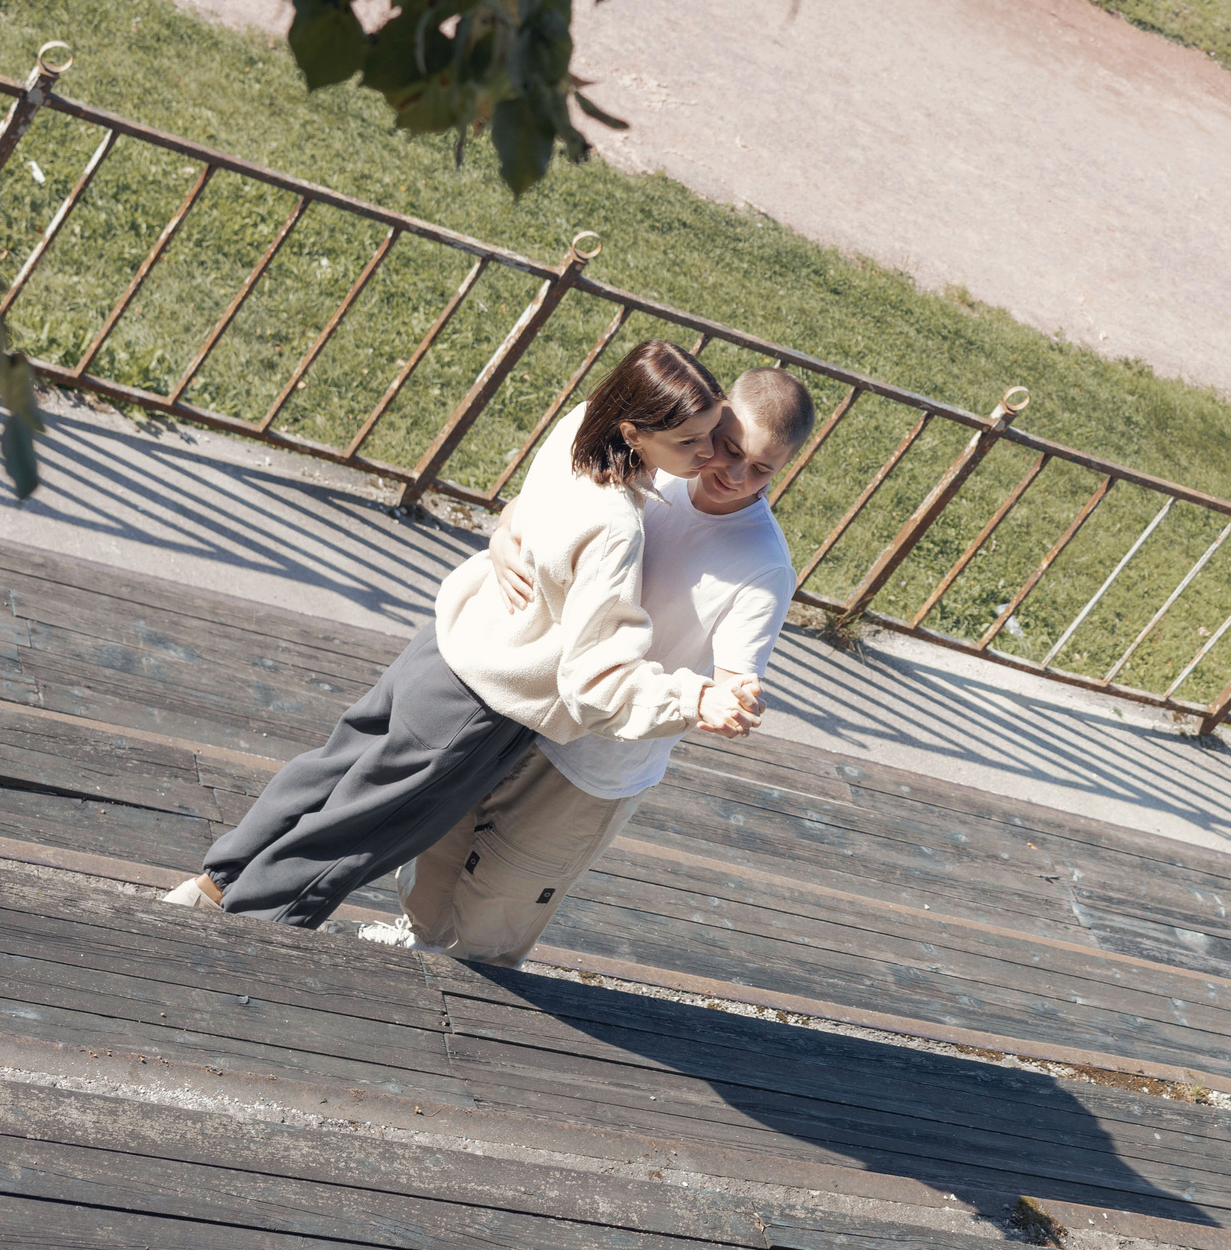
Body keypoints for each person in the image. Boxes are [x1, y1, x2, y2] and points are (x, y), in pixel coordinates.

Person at [160, 341, 762, 927]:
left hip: (440, 651)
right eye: (690, 440)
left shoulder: (581, 428)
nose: (710, 454)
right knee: (357, 835)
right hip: (477, 709)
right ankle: (237, 935)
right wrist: (693, 698)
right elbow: (594, 681)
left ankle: (210, 889)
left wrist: (503, 536)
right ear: (633, 432)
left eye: (711, 434)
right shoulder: (615, 527)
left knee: (326, 776)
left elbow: (522, 516)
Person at [384, 364, 817, 967]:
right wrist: (505, 533)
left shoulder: (764, 564)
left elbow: (737, 676)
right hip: (526, 705)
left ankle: (453, 1004)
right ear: (713, 418)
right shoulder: (661, 466)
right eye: (729, 448)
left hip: (595, 763)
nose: (736, 475)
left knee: (495, 913)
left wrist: (729, 698)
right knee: (434, 855)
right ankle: (416, 949)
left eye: (763, 468)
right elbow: (549, 509)